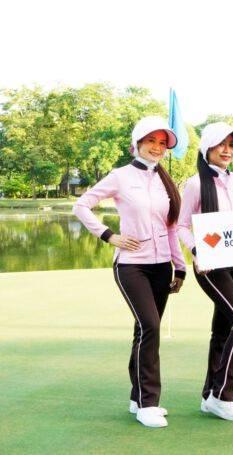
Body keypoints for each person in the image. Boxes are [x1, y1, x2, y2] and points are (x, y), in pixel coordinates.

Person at [73, 116, 186, 428]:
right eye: (151, 141)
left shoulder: (165, 181)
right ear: (137, 143)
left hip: (161, 267)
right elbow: (81, 206)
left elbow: (171, 227)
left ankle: (137, 398)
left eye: (162, 143)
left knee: (143, 330)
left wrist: (180, 267)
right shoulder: (120, 176)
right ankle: (149, 403)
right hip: (131, 265)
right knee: (150, 327)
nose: (157, 147)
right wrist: (109, 236)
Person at [178, 122, 233, 421]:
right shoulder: (195, 184)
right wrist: (197, 251)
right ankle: (223, 395)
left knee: (224, 328)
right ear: (207, 148)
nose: (228, 150)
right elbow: (181, 226)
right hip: (209, 266)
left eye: (232, 145)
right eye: (221, 144)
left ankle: (208, 395)